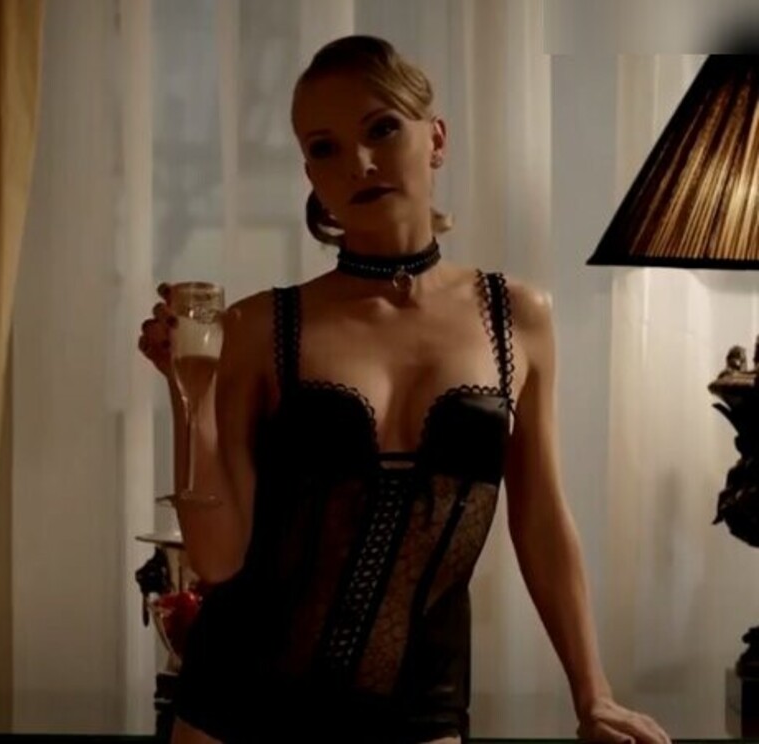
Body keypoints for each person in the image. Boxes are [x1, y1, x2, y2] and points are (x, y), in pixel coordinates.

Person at [137, 35, 671, 744]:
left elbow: (541, 518)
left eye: (382, 128)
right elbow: (217, 558)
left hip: (421, 706)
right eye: (325, 148)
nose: (358, 162)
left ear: (436, 138)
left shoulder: (516, 316)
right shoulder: (261, 326)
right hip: (239, 707)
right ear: (310, 173)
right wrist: (189, 391)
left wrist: (592, 695)